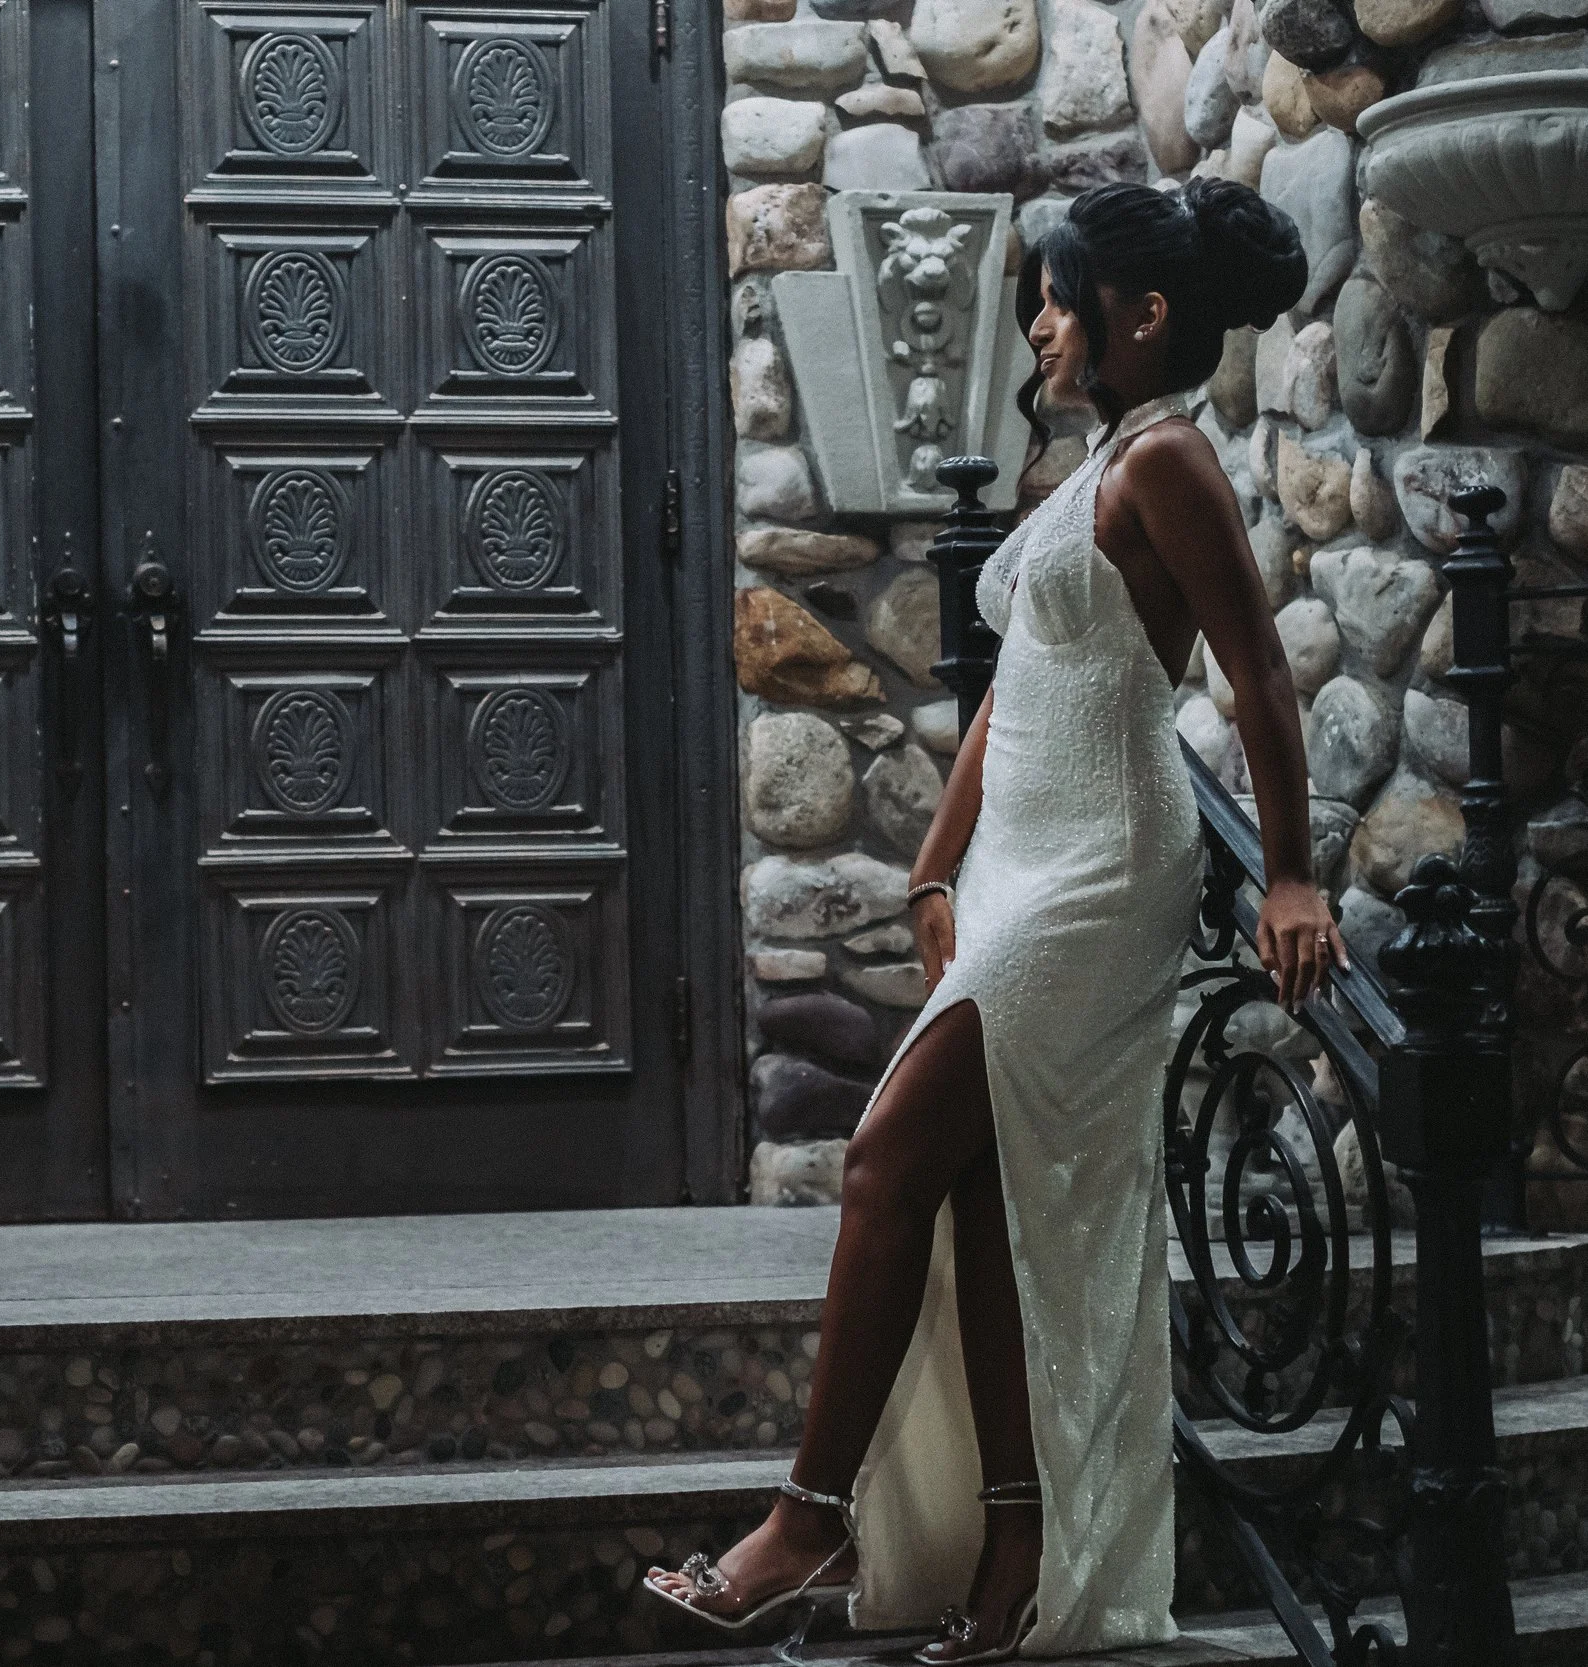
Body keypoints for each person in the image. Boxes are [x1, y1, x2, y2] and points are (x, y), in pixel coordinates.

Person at [645, 177, 1346, 1662]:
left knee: (888, 1155)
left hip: (1103, 871)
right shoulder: (1101, 461)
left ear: (1142, 316)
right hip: (1021, 860)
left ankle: (809, 1515)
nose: (1039, 323)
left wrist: (1289, 872)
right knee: (983, 1194)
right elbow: (1018, 693)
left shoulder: (1173, 463)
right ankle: (1014, 1547)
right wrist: (933, 864)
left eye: (1059, 297)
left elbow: (1260, 678)